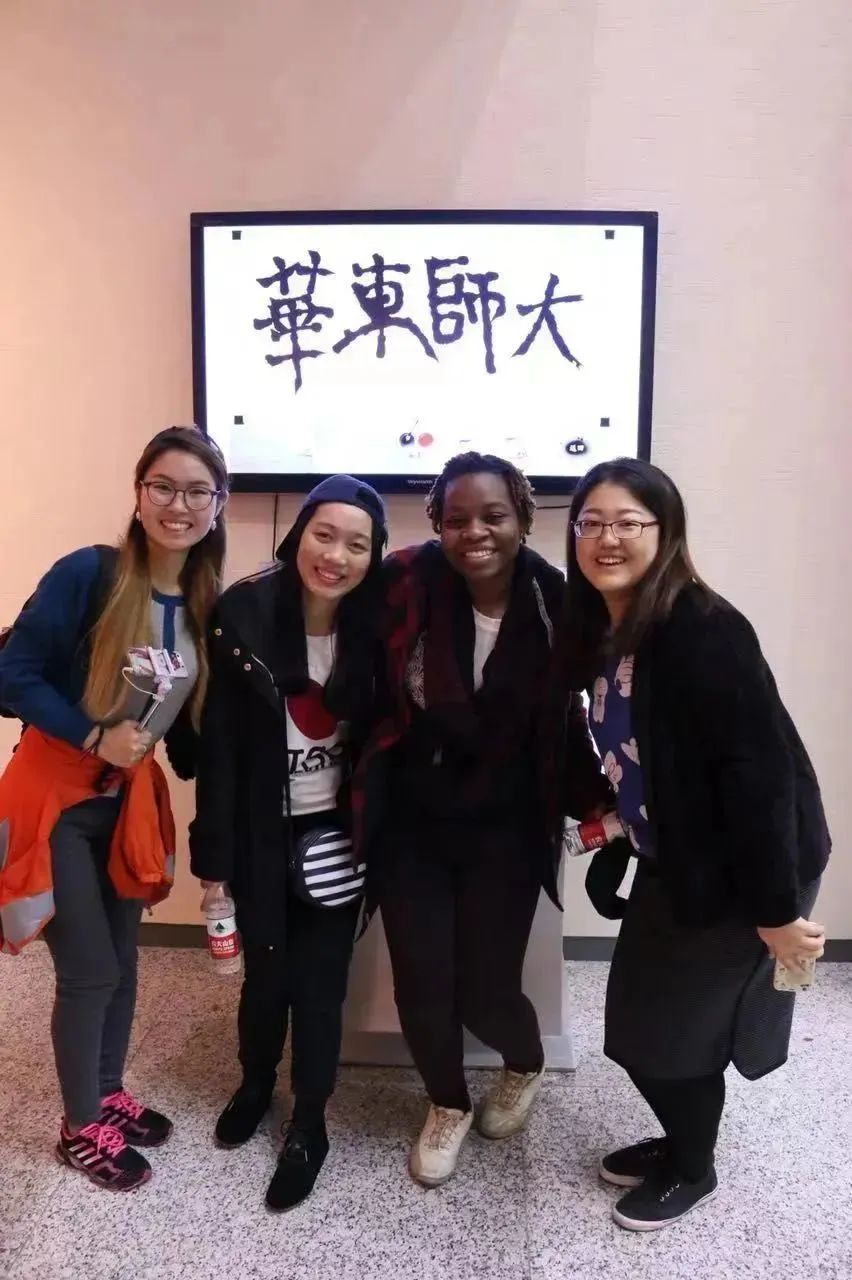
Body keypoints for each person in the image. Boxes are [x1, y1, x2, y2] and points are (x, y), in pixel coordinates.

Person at [558, 456, 830, 1232]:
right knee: (639, 1026)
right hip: (679, 856)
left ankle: (692, 1166)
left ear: (667, 531)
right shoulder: (607, 628)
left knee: (674, 1036)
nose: (607, 538)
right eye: (591, 523)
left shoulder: (703, 630)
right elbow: (640, 753)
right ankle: (682, 1138)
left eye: (627, 522)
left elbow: (758, 779)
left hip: (748, 868)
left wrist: (775, 915)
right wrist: (616, 824)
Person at [370, 452, 610, 1188]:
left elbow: (567, 719)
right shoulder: (405, 584)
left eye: (493, 515)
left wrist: (601, 801)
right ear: (438, 524)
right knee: (420, 981)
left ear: (523, 519)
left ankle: (524, 1063)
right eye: (457, 518)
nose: (474, 531)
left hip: (506, 823)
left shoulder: (557, 600)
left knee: (485, 987)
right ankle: (447, 1103)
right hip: (413, 820)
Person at [0, 425, 229, 1192]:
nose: (178, 505)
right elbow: (13, 674)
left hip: (127, 803)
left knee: (125, 962)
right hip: (55, 798)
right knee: (90, 970)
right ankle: (78, 1129)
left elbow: (189, 727)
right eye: (163, 486)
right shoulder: (90, 574)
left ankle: (105, 1096)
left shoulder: (204, 604)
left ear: (218, 506)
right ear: (138, 494)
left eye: (197, 492)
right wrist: (95, 734)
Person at [189, 475, 388, 1212]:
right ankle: (254, 1084)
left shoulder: (379, 627)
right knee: (265, 976)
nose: (336, 556)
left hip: (338, 837)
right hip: (260, 832)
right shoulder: (243, 613)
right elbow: (219, 754)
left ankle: (309, 1123)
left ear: (374, 557)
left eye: (357, 544)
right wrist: (213, 866)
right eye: (323, 535)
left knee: (321, 985)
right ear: (297, 535)